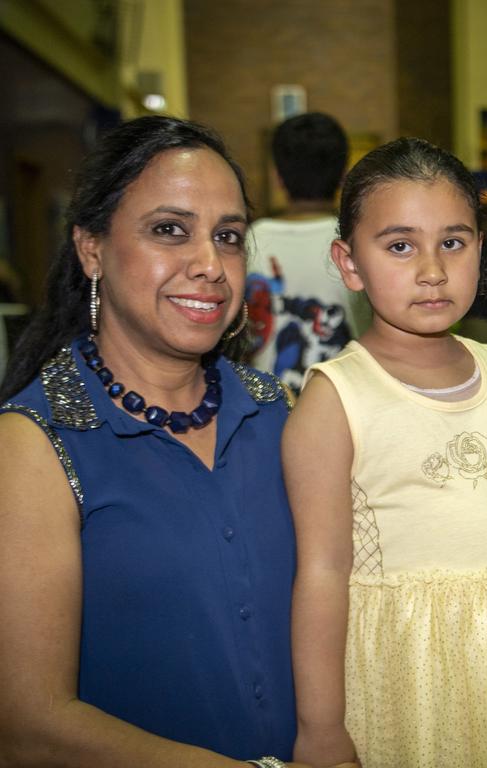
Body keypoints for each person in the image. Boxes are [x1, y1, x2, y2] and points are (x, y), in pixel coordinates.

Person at [0, 117, 336, 767]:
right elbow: (25, 724)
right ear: (91, 248)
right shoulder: (35, 445)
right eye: (169, 230)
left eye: (229, 237)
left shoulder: (281, 412)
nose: (210, 265)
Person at [285, 137, 487, 768]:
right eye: (400, 246)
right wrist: (320, 728)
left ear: (482, 246)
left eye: (453, 241)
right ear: (349, 263)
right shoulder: (336, 397)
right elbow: (320, 572)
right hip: (406, 669)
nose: (432, 269)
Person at [246, 112, 371, 390]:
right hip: (352, 400)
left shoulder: (251, 239)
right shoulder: (360, 240)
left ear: (278, 176)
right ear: (343, 176)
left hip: (268, 406)